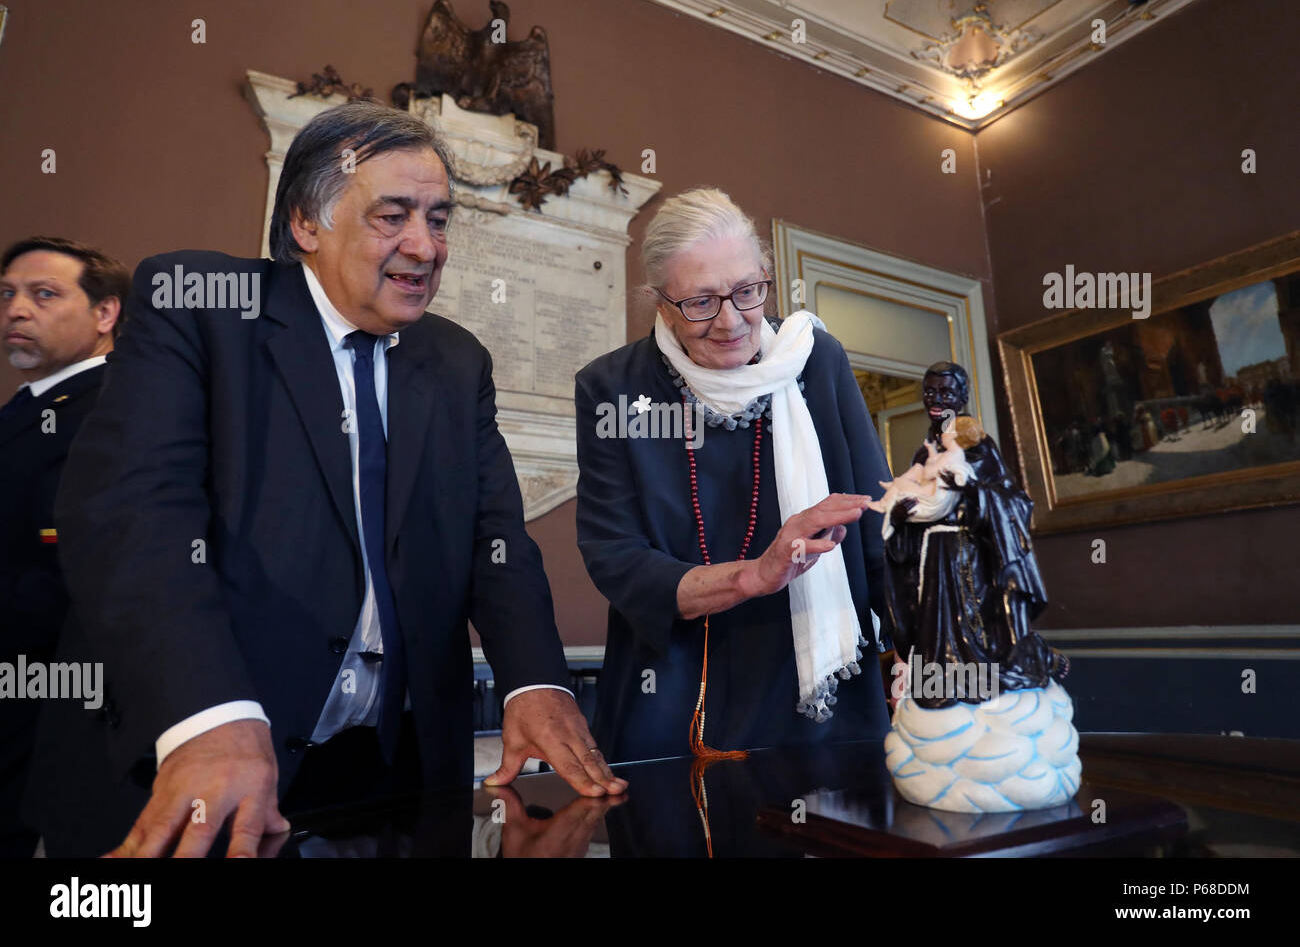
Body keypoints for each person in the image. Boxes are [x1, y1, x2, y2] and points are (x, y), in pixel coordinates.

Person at [24, 101, 623, 859]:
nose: (425, 245)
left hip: (384, 789)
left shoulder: (455, 361)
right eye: (393, 216)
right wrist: (210, 714)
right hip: (186, 762)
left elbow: (493, 538)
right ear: (308, 224)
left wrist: (538, 682)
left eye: (439, 220)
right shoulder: (198, 303)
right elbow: (135, 515)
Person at [574, 188, 892, 764]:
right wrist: (753, 576)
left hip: (817, 673)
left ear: (765, 276)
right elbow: (614, 554)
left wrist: (930, 649)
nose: (730, 321)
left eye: (747, 291)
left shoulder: (815, 359)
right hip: (672, 686)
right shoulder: (613, 389)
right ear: (659, 302)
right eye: (700, 302)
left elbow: (876, 524)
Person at [0, 237, 127, 857]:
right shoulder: (37, 404)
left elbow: (71, 567)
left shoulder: (108, 409)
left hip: (42, 690)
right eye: (7, 295)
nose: (16, 311)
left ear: (105, 314)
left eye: (43, 294)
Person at [869, 361, 1067, 709]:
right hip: (932, 560)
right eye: (930, 390)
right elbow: (910, 510)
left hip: (968, 559)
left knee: (972, 632)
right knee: (935, 633)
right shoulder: (924, 451)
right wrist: (899, 520)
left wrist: (971, 492)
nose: (936, 398)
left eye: (946, 391)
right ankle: (940, 699)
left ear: (961, 396)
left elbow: (1013, 504)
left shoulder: (979, 447)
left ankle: (987, 688)